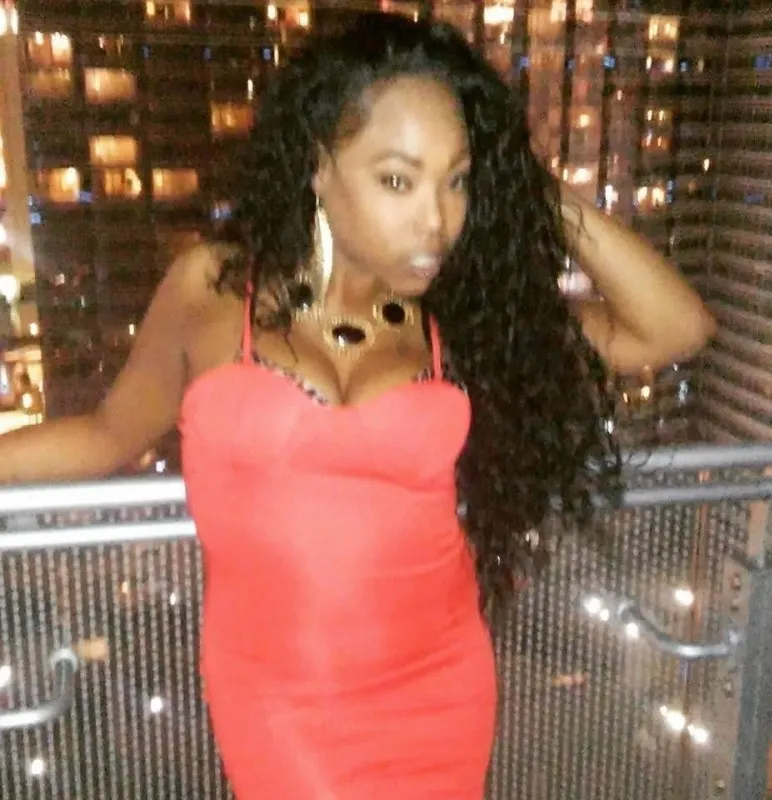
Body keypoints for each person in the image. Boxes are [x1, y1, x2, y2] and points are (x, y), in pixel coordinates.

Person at [0, 14, 715, 799]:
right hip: (276, 696)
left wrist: (530, 189)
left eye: (456, 181)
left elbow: (674, 328)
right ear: (318, 166)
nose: (436, 220)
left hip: (439, 679)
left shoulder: (463, 316)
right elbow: (108, 433)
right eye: (398, 181)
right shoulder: (214, 288)